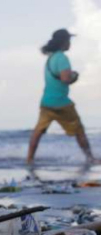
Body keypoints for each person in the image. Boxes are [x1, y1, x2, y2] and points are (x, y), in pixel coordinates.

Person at [27, 29, 99, 165]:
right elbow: (65, 78)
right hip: (61, 102)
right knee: (79, 129)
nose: (70, 43)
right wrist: (74, 76)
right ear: (64, 42)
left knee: (38, 131)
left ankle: (29, 159)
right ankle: (90, 158)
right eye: (69, 41)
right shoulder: (62, 58)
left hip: (46, 102)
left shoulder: (51, 58)